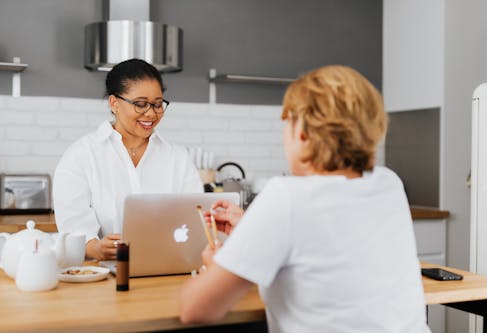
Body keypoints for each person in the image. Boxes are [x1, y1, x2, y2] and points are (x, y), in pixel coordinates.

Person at [179, 65, 430, 333]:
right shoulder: (388, 183)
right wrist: (253, 227)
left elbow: (195, 310)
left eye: (287, 122)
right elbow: (332, 240)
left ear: (302, 133)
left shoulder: (286, 197)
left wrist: (220, 262)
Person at [53, 58, 203, 261]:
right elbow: (73, 229)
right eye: (140, 104)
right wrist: (96, 248)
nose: (151, 113)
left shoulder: (177, 157)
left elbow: (195, 220)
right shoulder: (81, 155)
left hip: (169, 270)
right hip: (105, 277)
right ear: (114, 103)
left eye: (158, 104)